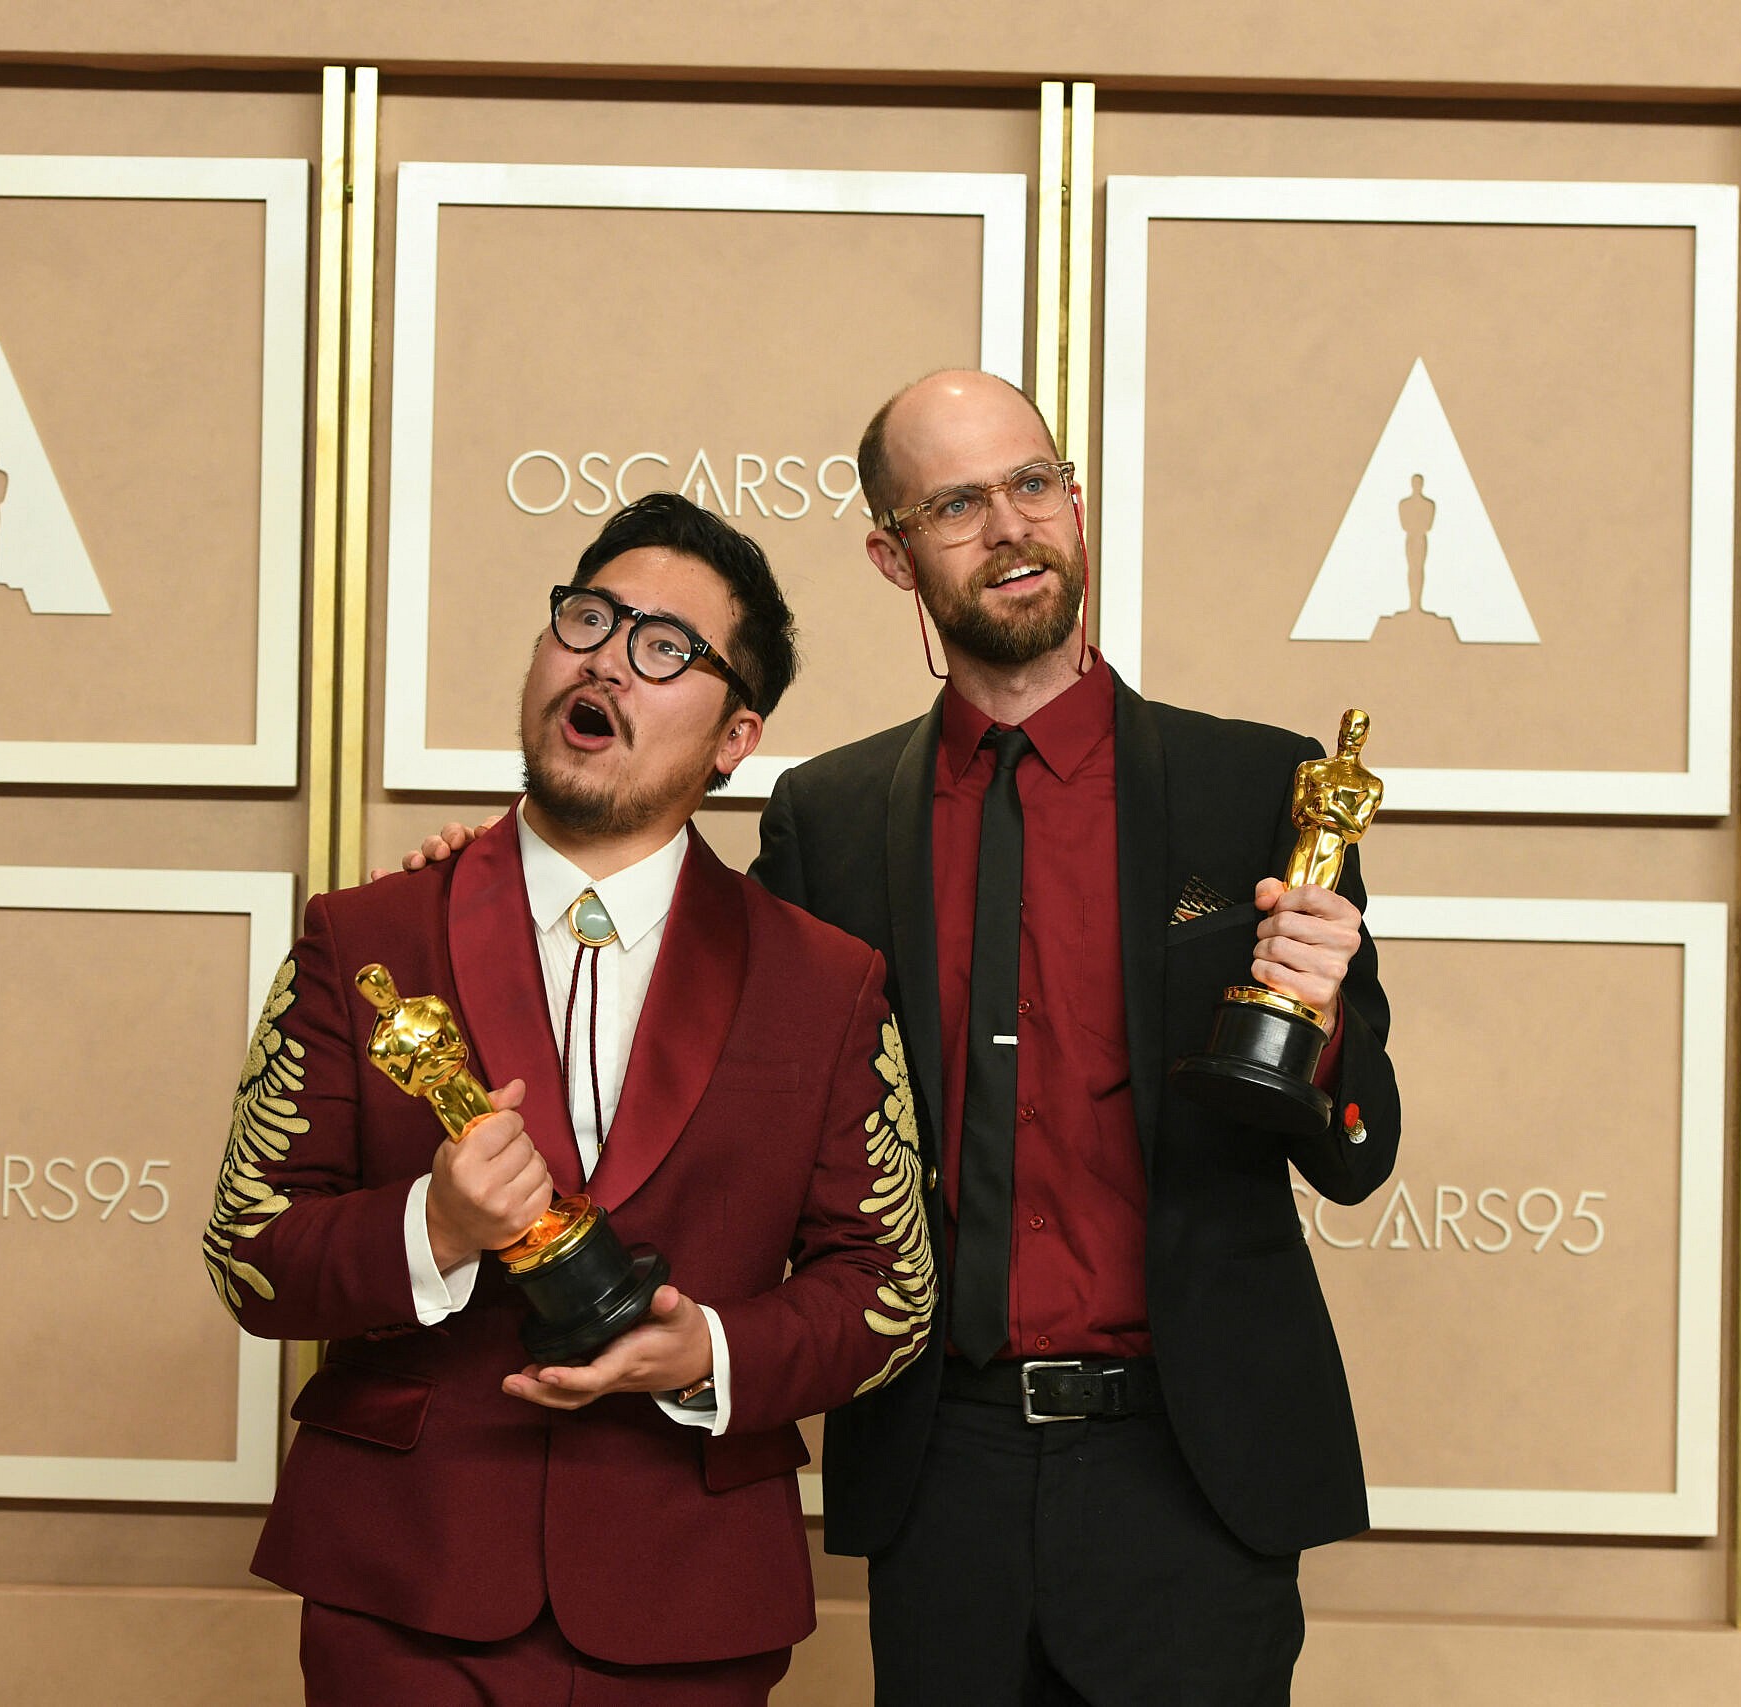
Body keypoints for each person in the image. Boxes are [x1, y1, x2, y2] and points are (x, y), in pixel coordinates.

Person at [397, 371, 1400, 1705]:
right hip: (941, 1468)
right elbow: (686, 999)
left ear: (1076, 502)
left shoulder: (1257, 787)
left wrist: (1324, 1025)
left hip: (1192, 1469)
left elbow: (1358, 1146)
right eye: (958, 503)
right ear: (893, 551)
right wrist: (507, 875)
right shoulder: (830, 815)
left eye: (1034, 483)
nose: (1012, 527)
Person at [207, 492, 934, 1706]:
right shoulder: (364, 937)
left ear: (734, 736)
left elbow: (888, 1291)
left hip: (690, 1598)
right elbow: (250, 1251)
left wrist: (706, 1348)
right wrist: (431, 1228)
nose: (604, 658)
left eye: (664, 649)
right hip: (404, 1587)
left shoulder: (826, 981)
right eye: (586, 620)